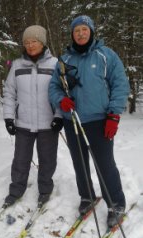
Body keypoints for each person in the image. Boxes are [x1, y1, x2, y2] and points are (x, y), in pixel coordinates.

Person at [49, 15, 130, 227]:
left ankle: (116, 204)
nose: (81, 33)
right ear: (72, 34)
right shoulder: (65, 60)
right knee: (80, 163)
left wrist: (114, 115)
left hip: (100, 120)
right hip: (72, 120)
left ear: (92, 31)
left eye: (84, 29)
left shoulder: (106, 55)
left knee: (105, 164)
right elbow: (54, 87)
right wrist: (62, 100)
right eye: (77, 30)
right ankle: (87, 196)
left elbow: (120, 85)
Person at [3, 25, 63, 208]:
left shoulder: (55, 64)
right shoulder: (17, 65)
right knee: (20, 160)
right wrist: (8, 117)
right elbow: (9, 92)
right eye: (26, 42)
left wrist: (59, 116)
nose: (30, 45)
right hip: (24, 123)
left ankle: (45, 190)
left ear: (42, 42)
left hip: (48, 123)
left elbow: (62, 92)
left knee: (47, 160)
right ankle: (16, 190)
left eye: (34, 41)